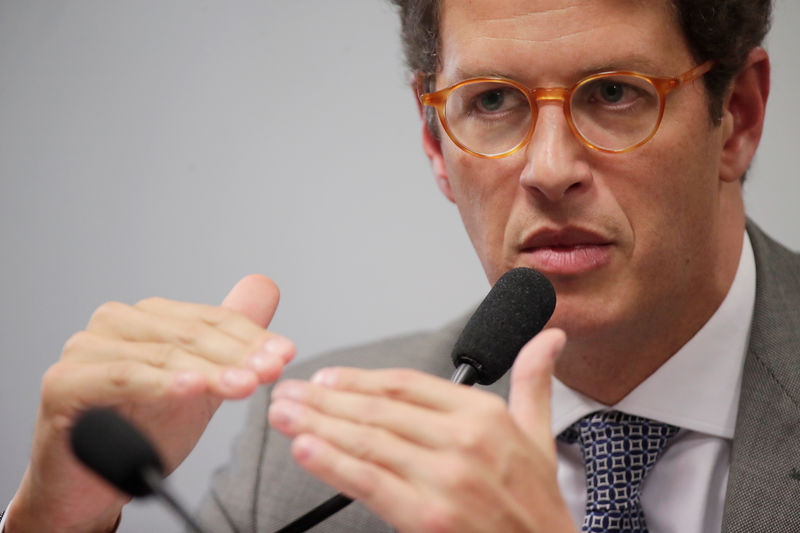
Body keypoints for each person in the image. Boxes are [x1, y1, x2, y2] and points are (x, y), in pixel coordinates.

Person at [2, 0, 797, 532]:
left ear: (739, 120)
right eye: (491, 101)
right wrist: (60, 516)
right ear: (435, 146)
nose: (550, 169)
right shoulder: (304, 462)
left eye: (615, 92)